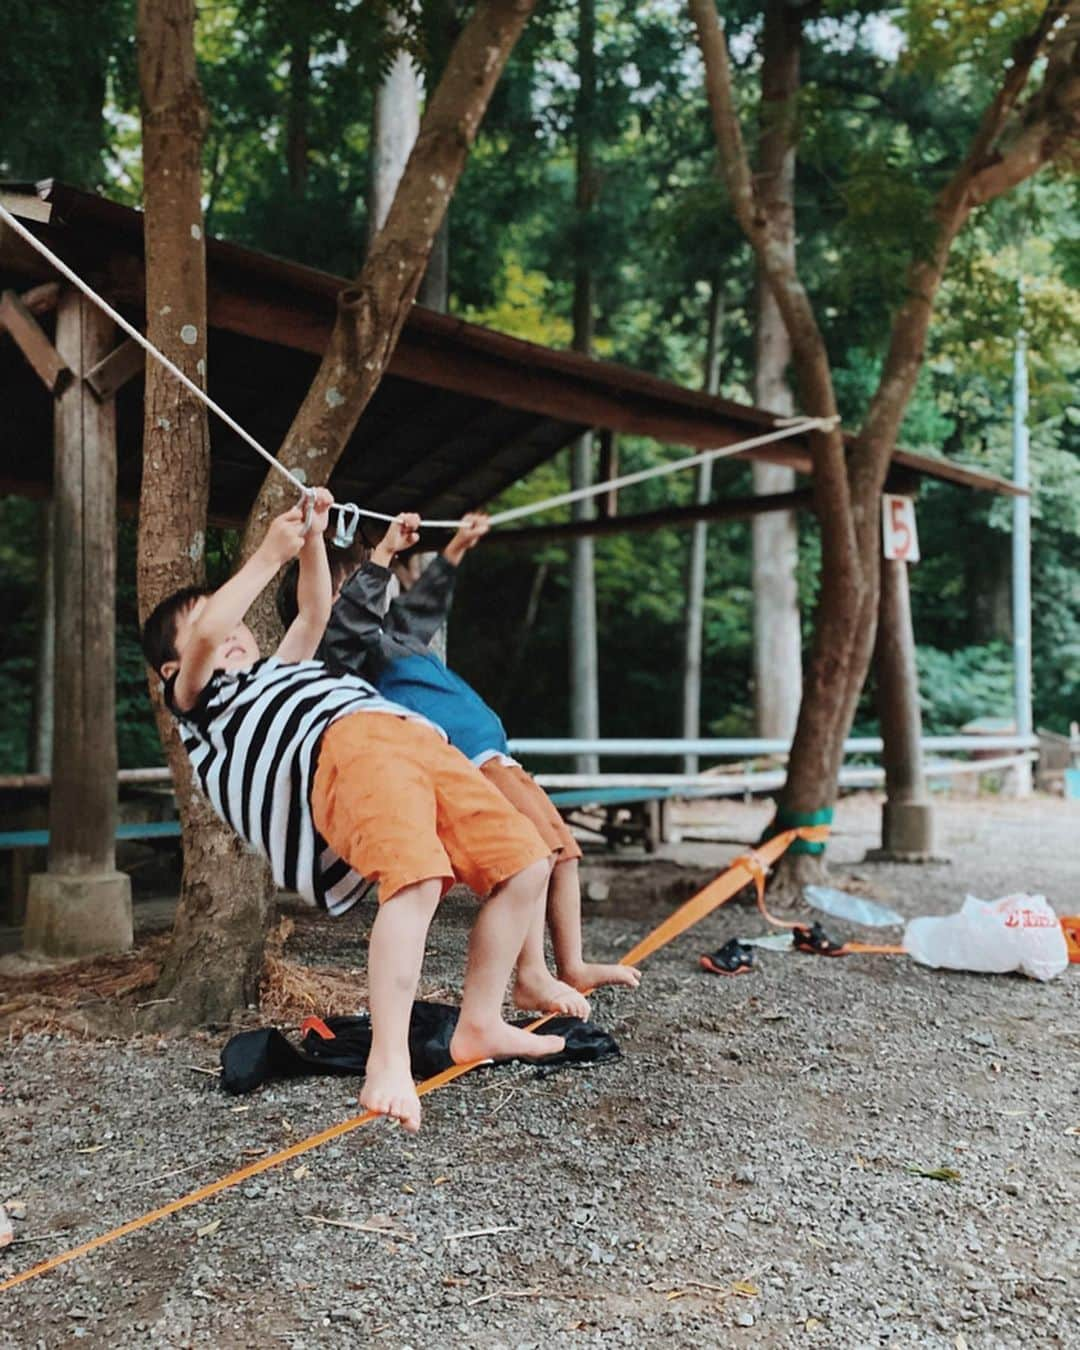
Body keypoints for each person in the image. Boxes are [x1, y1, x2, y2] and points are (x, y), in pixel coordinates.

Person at [141, 491, 565, 1133]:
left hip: (414, 736)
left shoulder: (281, 667)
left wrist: (310, 535)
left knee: (528, 863)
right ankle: (387, 1061)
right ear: (174, 668)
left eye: (235, 624)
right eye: (213, 627)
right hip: (346, 747)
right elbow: (205, 634)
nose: (229, 632)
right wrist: (264, 556)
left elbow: (315, 609)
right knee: (416, 879)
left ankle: (479, 1020)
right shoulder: (201, 703)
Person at [276, 509, 641, 1011]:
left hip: (497, 757)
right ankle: (531, 973)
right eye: (353, 585)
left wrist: (453, 550)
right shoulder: (345, 656)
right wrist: (381, 554)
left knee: (563, 852)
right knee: (530, 853)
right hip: (468, 761)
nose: (368, 591)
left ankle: (572, 964)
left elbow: (420, 610)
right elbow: (349, 619)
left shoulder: (390, 639)